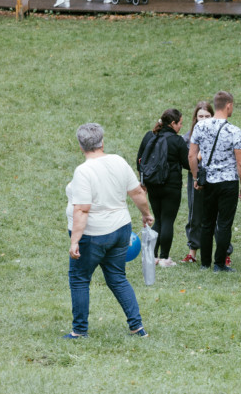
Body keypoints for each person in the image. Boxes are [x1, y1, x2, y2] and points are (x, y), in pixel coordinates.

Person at [65, 123, 154, 339]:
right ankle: (137, 327)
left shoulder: (83, 171)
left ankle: (79, 331)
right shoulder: (118, 161)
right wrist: (146, 214)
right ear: (102, 142)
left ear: (80, 146)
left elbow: (82, 209)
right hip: (121, 229)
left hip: (93, 235)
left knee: (79, 279)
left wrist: (75, 240)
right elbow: (137, 193)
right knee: (117, 277)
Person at [189, 91, 241, 272]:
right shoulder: (234, 131)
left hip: (208, 182)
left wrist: (195, 177)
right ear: (228, 105)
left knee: (207, 222)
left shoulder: (200, 127)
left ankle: (205, 263)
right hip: (228, 182)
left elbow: (192, 155)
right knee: (223, 224)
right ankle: (219, 264)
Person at [136, 109, 190, 267]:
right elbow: (187, 164)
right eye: (180, 123)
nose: (180, 126)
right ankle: (165, 258)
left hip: (153, 184)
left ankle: (153, 256)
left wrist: (143, 181)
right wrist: (198, 157)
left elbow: (140, 160)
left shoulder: (149, 136)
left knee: (158, 219)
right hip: (171, 186)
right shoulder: (177, 140)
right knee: (167, 220)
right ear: (172, 123)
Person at [180, 101, 214, 263]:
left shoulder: (219, 133)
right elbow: (187, 160)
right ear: (195, 118)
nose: (204, 119)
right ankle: (192, 252)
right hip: (196, 177)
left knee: (218, 215)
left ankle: (225, 254)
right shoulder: (189, 136)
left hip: (215, 177)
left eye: (207, 116)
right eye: (201, 116)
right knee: (195, 214)